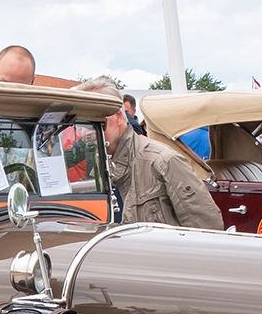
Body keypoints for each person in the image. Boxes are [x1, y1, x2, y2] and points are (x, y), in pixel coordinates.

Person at [75, 76, 226, 229]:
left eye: (92, 122)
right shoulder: (96, 168)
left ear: (118, 117)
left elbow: (207, 229)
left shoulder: (162, 161)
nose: (83, 132)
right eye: (79, 124)